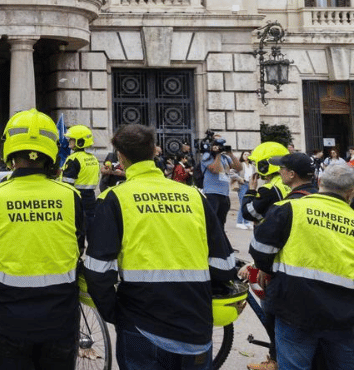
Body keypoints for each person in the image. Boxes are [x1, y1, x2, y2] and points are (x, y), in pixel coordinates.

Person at [85, 124, 235, 369]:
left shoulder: (114, 199)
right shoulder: (195, 196)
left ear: (120, 156)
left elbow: (98, 270)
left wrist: (115, 313)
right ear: (154, 151)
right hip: (195, 323)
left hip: (141, 324)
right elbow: (224, 265)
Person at [0, 109, 84, 370]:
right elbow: (77, 247)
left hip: (8, 321)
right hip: (61, 321)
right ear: (51, 152)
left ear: (10, 153)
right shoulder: (71, 196)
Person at [249, 164, 354, 370]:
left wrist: (267, 269)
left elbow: (259, 248)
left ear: (320, 182)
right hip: (344, 315)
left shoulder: (289, 208)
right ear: (351, 192)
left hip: (295, 308)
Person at [241, 152, 318, 370]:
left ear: (291, 174)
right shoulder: (321, 199)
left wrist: (261, 268)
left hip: (288, 280)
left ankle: (275, 359)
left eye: (282, 168)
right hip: (320, 280)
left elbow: (257, 236)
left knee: (274, 314)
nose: (279, 171)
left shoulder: (282, 199)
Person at [240, 142, 291, 224]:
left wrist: (251, 190)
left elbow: (248, 213)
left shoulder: (268, 189)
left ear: (264, 165)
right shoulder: (292, 183)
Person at [60, 125, 100, 226]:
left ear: (80, 141)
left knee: (78, 228)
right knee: (91, 226)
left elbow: (67, 183)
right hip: (91, 196)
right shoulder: (93, 158)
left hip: (77, 198)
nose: (69, 141)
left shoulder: (73, 159)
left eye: (72, 139)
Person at [200, 135, 241, 227]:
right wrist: (217, 154)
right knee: (211, 223)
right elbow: (215, 170)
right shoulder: (207, 156)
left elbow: (238, 168)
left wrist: (231, 154)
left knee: (221, 223)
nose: (220, 146)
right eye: (217, 144)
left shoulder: (225, 157)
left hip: (224, 194)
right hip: (211, 193)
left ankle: (220, 240)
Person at [235, 151, 254, 229]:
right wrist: (239, 178)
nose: (246, 156)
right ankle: (239, 222)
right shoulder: (240, 165)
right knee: (243, 203)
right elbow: (231, 172)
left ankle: (246, 222)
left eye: (248, 154)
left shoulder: (252, 166)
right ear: (242, 156)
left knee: (248, 203)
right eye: (244, 154)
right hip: (242, 184)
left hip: (249, 185)